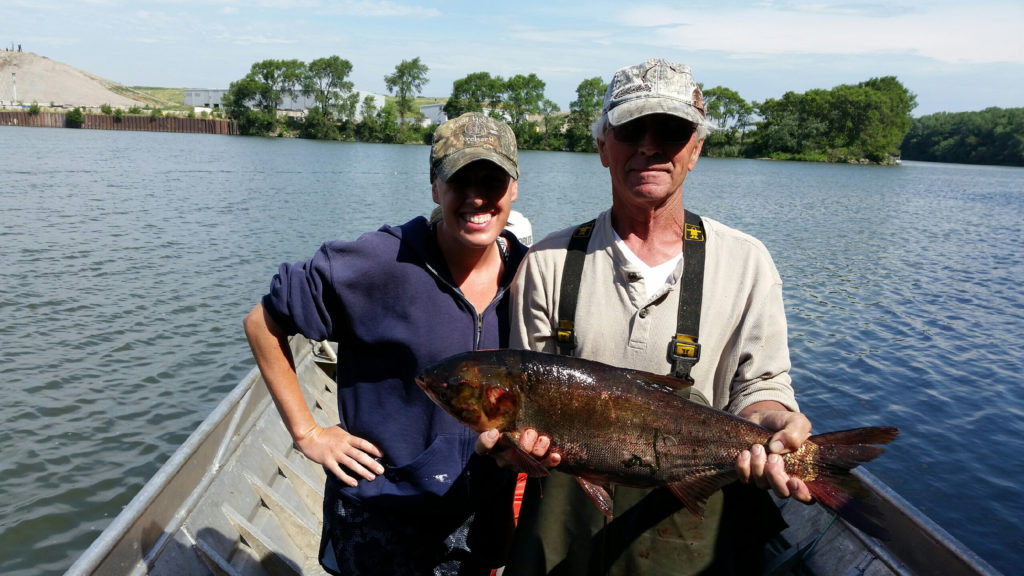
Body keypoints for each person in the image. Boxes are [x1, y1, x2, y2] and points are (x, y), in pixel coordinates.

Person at [496, 58, 814, 575]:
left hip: (693, 534)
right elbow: (524, 405)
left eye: (669, 129)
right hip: (564, 537)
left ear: (695, 148)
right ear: (602, 146)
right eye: (630, 129)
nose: (649, 144)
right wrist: (513, 446)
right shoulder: (548, 264)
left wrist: (773, 421)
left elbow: (761, 387)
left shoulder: (747, 262)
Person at [243, 112, 539, 576]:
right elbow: (263, 323)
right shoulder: (380, 261)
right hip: (382, 509)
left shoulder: (533, 276)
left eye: (493, 179)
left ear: (514, 187)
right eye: (460, 179)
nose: (478, 196)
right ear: (434, 188)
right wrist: (308, 434)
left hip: (480, 514)